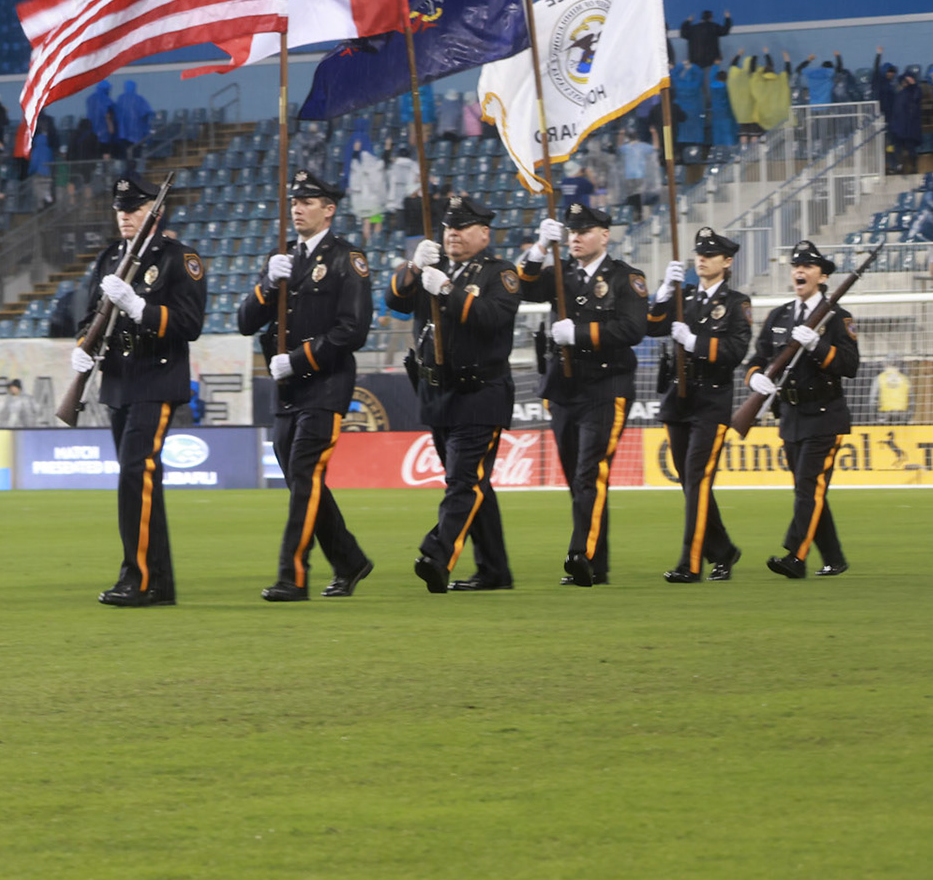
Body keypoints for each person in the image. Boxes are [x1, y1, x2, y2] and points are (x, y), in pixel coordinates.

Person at [70, 175, 207, 607]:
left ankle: (138, 577)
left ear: (156, 210)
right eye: (120, 208)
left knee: (135, 473)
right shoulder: (109, 258)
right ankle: (158, 583)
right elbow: (88, 317)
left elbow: (189, 325)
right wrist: (81, 350)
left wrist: (139, 307)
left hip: (156, 377)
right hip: (119, 380)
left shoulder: (178, 259)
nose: (124, 215)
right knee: (141, 480)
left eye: (134, 207)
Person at [237, 169, 374, 602]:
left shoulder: (346, 260)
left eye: (308, 202)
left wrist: (296, 360)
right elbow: (245, 322)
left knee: (303, 473)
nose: (297, 208)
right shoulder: (283, 259)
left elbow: (352, 331)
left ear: (329, 210)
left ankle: (292, 575)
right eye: (295, 202)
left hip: (324, 385)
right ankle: (349, 559)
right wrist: (265, 285)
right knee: (303, 481)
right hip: (288, 392)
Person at [383, 192, 520, 593]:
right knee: (475, 485)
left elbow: (493, 319)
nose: (452, 235)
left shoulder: (500, 273)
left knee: (463, 481)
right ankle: (494, 570)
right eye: (447, 228)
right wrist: (412, 267)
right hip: (438, 393)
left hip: (481, 393)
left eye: (461, 228)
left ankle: (438, 554)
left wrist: (447, 291)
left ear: (484, 233)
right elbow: (394, 301)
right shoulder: (433, 266)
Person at [518, 201, 649, 587]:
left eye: (584, 231)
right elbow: (522, 288)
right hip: (564, 388)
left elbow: (632, 330)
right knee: (578, 479)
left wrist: (578, 334)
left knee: (590, 473)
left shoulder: (627, 278)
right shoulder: (560, 273)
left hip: (606, 387)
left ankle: (581, 554)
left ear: (604, 235)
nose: (575, 237)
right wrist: (539, 248)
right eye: (571, 232)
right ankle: (597, 562)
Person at [644, 227, 752, 583]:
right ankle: (723, 551)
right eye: (698, 254)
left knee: (697, 477)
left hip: (711, 401)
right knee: (692, 482)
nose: (701, 258)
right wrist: (662, 292)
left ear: (727, 261)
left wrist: (694, 341)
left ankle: (691, 562)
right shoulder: (685, 297)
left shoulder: (737, 303)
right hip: (679, 399)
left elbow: (735, 351)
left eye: (710, 254)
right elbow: (651, 326)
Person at [749, 240, 860, 578]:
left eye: (808, 266)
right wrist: (756, 379)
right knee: (808, 490)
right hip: (791, 416)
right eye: (796, 265)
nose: (799, 270)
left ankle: (795, 557)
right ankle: (834, 557)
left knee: (809, 487)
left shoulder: (838, 317)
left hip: (825, 415)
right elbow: (757, 358)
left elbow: (850, 365)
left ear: (822, 276)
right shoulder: (779, 316)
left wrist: (818, 345)